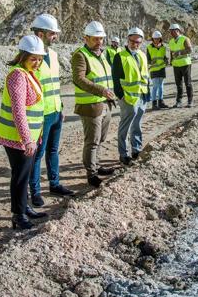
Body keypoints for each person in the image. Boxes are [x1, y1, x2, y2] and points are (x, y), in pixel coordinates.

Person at [0, 35, 50, 230]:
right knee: (19, 177)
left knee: (25, 175)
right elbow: (18, 110)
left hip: (27, 138)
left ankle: (24, 207)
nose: (37, 63)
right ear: (23, 56)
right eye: (33, 58)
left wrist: (35, 136)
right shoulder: (18, 75)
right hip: (17, 138)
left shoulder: (28, 73)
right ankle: (18, 215)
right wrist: (28, 140)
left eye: (39, 59)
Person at [28, 14, 75, 207]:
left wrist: (61, 107)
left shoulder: (54, 56)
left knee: (53, 150)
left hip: (55, 111)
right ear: (41, 33)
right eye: (52, 34)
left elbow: (54, 84)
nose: (55, 37)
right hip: (41, 115)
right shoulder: (31, 57)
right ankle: (36, 191)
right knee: (38, 154)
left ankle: (54, 184)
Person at [72, 21, 117, 188]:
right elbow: (79, 79)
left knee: (101, 138)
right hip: (90, 106)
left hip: (104, 103)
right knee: (92, 141)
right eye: (95, 39)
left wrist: (109, 94)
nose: (99, 42)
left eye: (101, 39)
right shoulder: (81, 55)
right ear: (86, 38)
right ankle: (91, 174)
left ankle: (97, 166)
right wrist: (101, 91)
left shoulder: (102, 54)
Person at [112, 28, 149, 165]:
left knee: (137, 125)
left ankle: (136, 149)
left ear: (141, 42)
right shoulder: (120, 57)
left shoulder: (142, 55)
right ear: (127, 40)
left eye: (138, 42)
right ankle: (124, 154)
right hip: (127, 98)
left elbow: (145, 75)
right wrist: (121, 96)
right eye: (132, 41)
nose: (135, 44)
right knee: (125, 127)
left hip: (141, 96)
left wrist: (146, 93)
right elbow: (116, 80)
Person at [167, 23, 193, 108]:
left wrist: (180, 52)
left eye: (172, 31)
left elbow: (189, 50)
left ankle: (190, 101)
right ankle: (179, 101)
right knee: (178, 84)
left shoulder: (185, 39)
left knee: (187, 83)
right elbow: (171, 52)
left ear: (177, 31)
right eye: (170, 31)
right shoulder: (171, 41)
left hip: (185, 64)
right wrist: (171, 61)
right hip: (176, 65)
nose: (171, 33)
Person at [146, 30, 169, 110]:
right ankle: (154, 104)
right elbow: (147, 59)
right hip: (154, 69)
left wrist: (166, 60)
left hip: (162, 69)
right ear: (153, 39)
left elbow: (164, 57)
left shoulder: (163, 47)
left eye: (158, 38)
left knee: (161, 86)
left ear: (160, 39)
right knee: (155, 86)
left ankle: (161, 102)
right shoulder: (149, 47)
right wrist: (151, 62)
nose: (156, 40)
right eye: (155, 38)